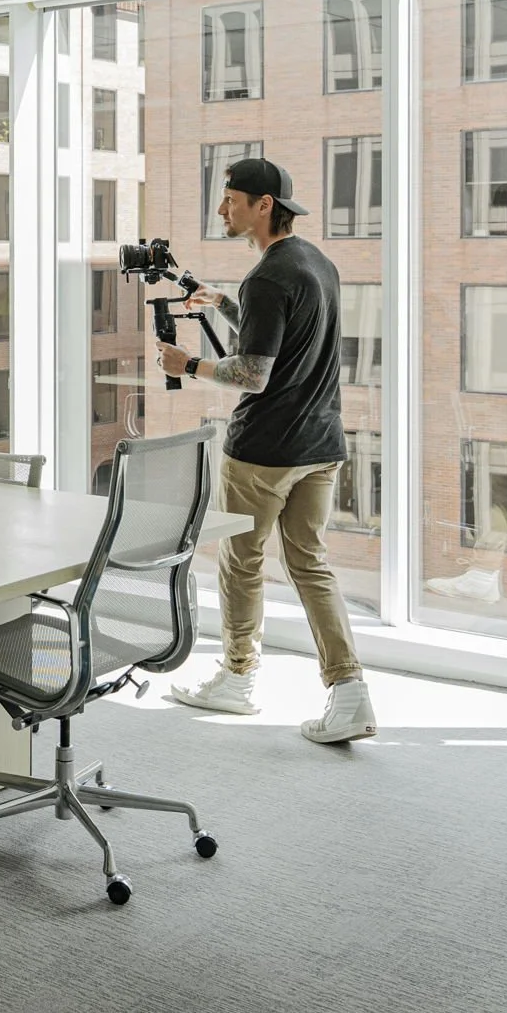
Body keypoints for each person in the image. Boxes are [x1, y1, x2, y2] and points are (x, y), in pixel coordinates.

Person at [159, 157, 376, 745]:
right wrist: (224, 306)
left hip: (265, 451)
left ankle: (237, 677)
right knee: (310, 564)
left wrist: (190, 364)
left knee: (241, 561)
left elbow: (253, 373)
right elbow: (283, 336)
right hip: (321, 444)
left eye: (231, 199)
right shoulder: (314, 264)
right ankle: (350, 690)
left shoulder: (266, 277)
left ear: (263, 206)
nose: (222, 209)